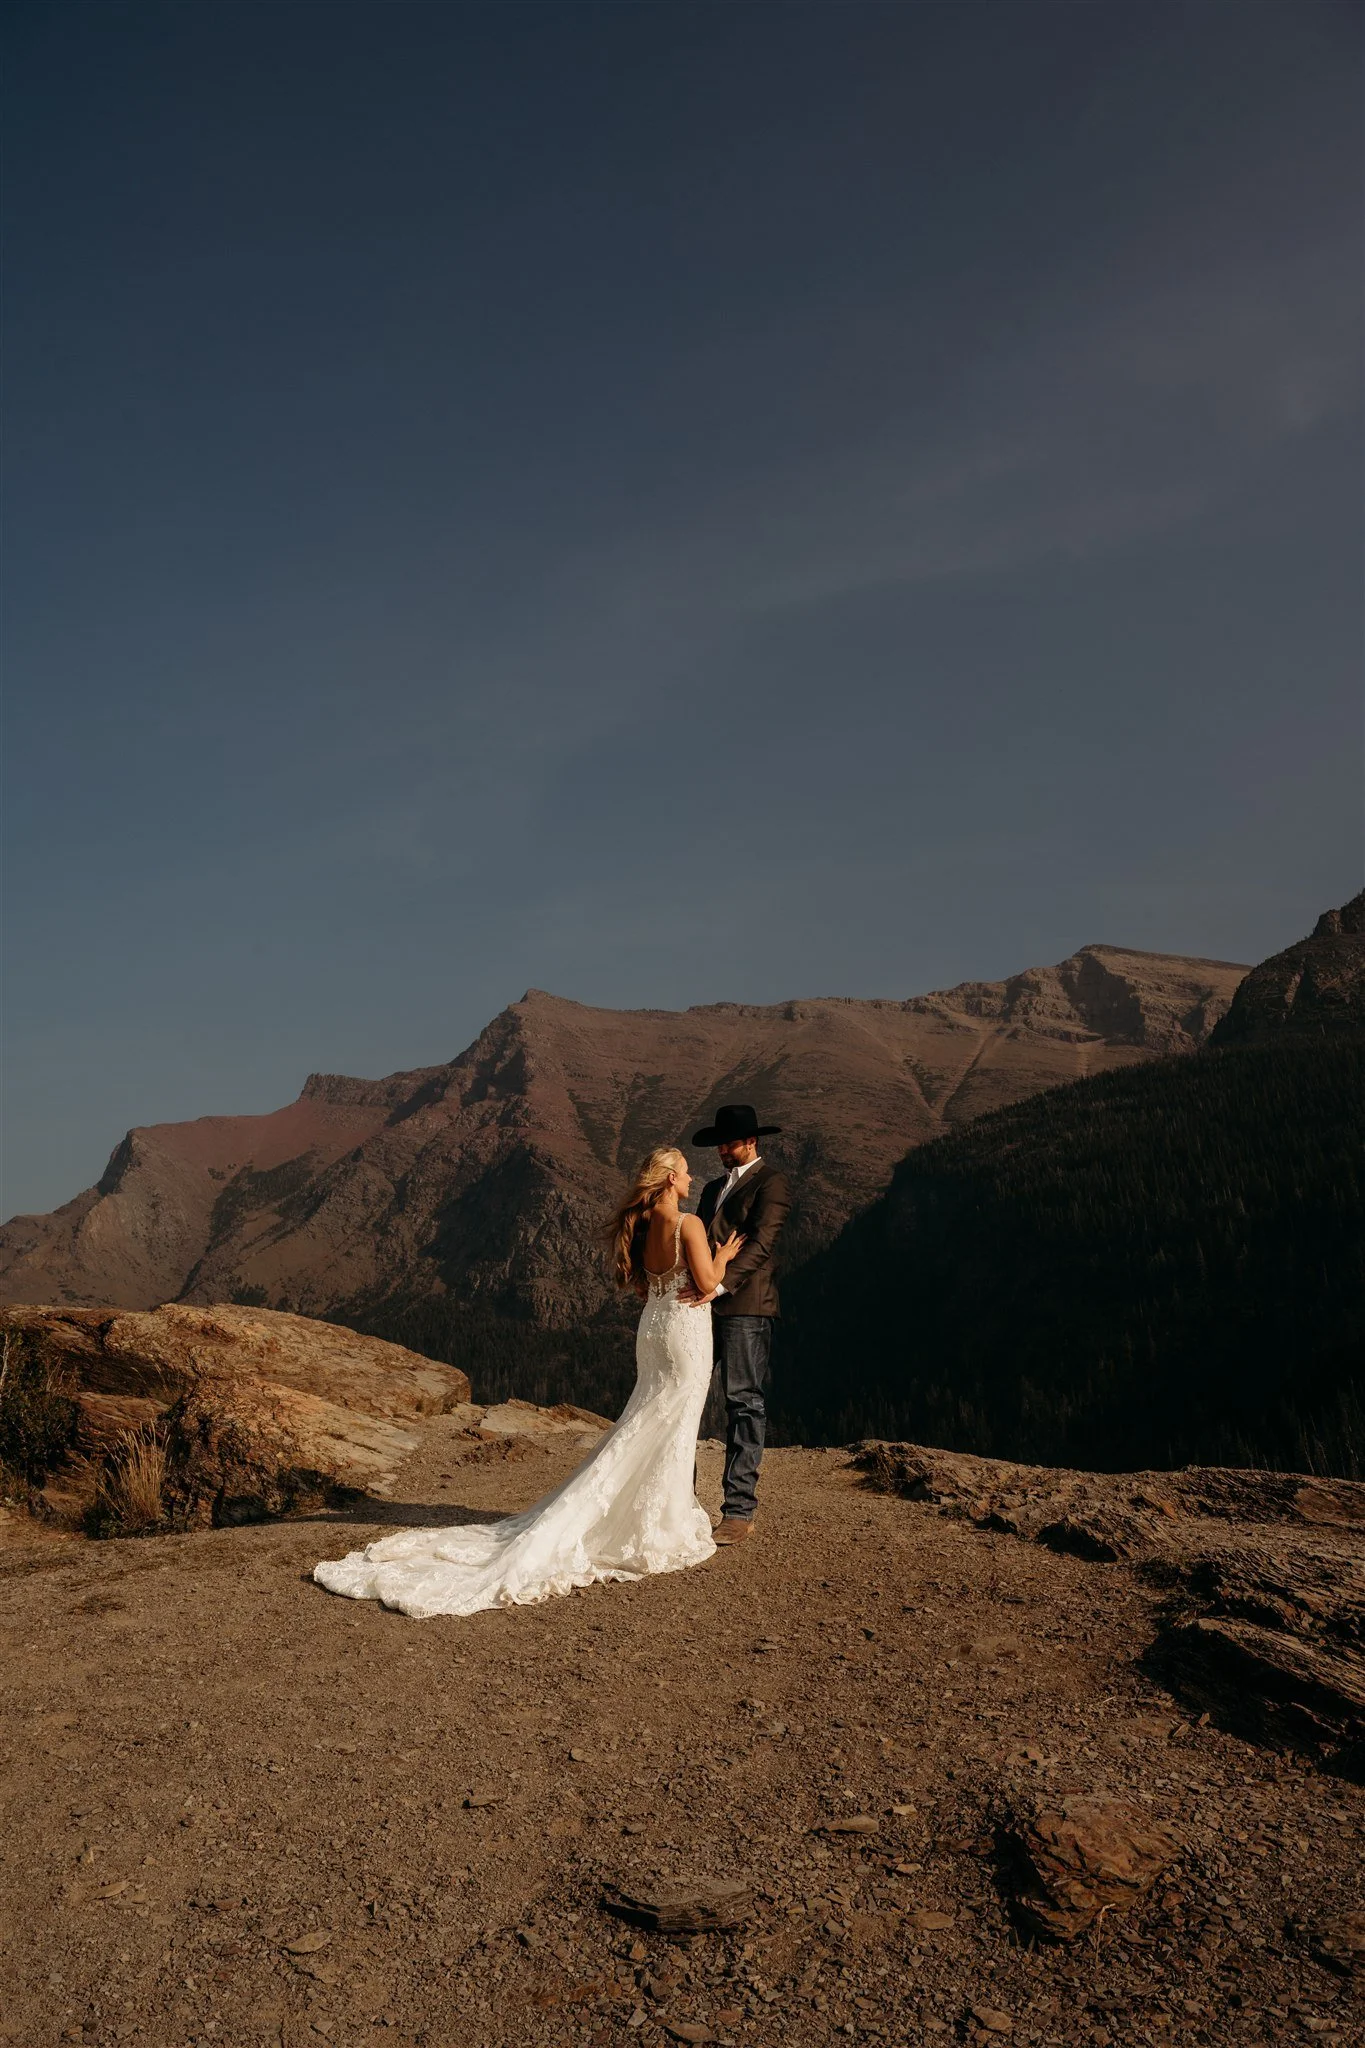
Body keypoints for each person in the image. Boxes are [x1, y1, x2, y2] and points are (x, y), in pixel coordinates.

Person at [312, 1147, 742, 1619]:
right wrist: (722, 1260)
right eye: (684, 1172)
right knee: (673, 1422)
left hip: (653, 1327)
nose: (690, 1178)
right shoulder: (689, 1225)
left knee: (644, 1418)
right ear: (669, 1181)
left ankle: (646, 1512)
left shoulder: (641, 1229)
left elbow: (646, 1286)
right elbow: (704, 1283)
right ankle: (660, 1521)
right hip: (685, 1331)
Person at [687, 1105, 792, 1546]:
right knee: (687, 1396)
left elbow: (763, 1244)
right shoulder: (712, 1188)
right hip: (700, 1304)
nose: (721, 1151)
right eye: (719, 1144)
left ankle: (739, 1510)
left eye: (728, 1143)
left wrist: (721, 1286)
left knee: (743, 1401)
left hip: (745, 1307)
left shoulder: (773, 1183)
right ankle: (682, 1502)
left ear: (750, 1141)